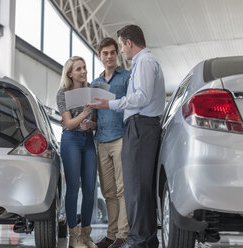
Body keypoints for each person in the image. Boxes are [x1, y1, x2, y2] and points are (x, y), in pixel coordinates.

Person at [88, 25, 166, 248]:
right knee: (137, 187)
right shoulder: (146, 62)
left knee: (135, 188)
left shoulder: (143, 62)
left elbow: (141, 97)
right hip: (140, 127)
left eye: (120, 46)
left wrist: (110, 104)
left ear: (128, 43)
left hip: (141, 127)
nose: (121, 51)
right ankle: (145, 239)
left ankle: (139, 239)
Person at [90, 37, 130, 248]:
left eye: (112, 52)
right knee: (108, 192)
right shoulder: (95, 83)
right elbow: (95, 115)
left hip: (121, 137)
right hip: (101, 140)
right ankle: (112, 234)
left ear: (117, 54)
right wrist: (90, 124)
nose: (109, 56)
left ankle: (123, 234)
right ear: (100, 56)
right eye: (105, 53)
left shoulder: (127, 78)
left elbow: (133, 105)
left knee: (122, 190)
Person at [56, 56, 98, 248]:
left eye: (84, 68)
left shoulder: (92, 91)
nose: (83, 72)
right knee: (74, 188)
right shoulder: (62, 94)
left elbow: (96, 123)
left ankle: (86, 235)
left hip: (88, 140)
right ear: (70, 74)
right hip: (71, 141)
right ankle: (74, 236)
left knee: (90, 188)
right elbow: (69, 124)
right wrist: (84, 113)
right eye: (79, 69)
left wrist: (91, 123)